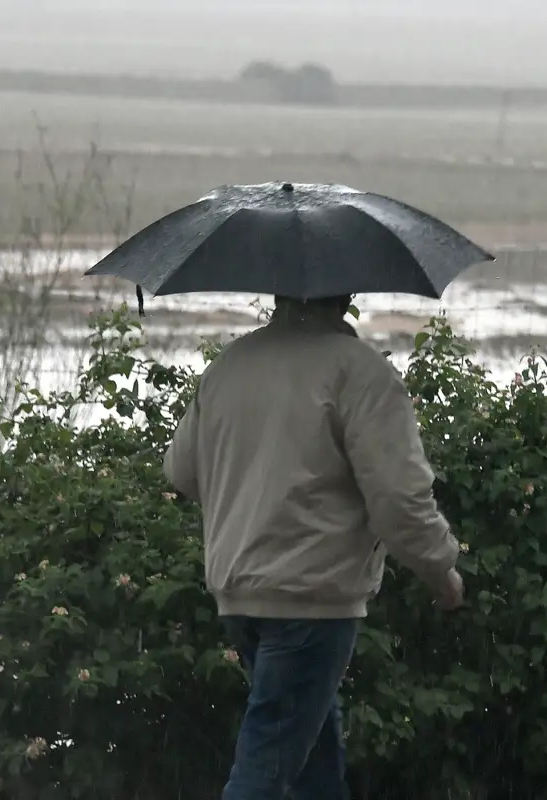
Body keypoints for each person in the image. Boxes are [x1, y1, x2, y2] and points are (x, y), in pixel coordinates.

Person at [163, 294, 465, 800]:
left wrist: (250, 495)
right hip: (313, 601)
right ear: (346, 295)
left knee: (313, 770)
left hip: (239, 595)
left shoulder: (231, 365)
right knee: (265, 770)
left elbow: (180, 471)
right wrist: (444, 573)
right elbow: (398, 502)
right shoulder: (358, 373)